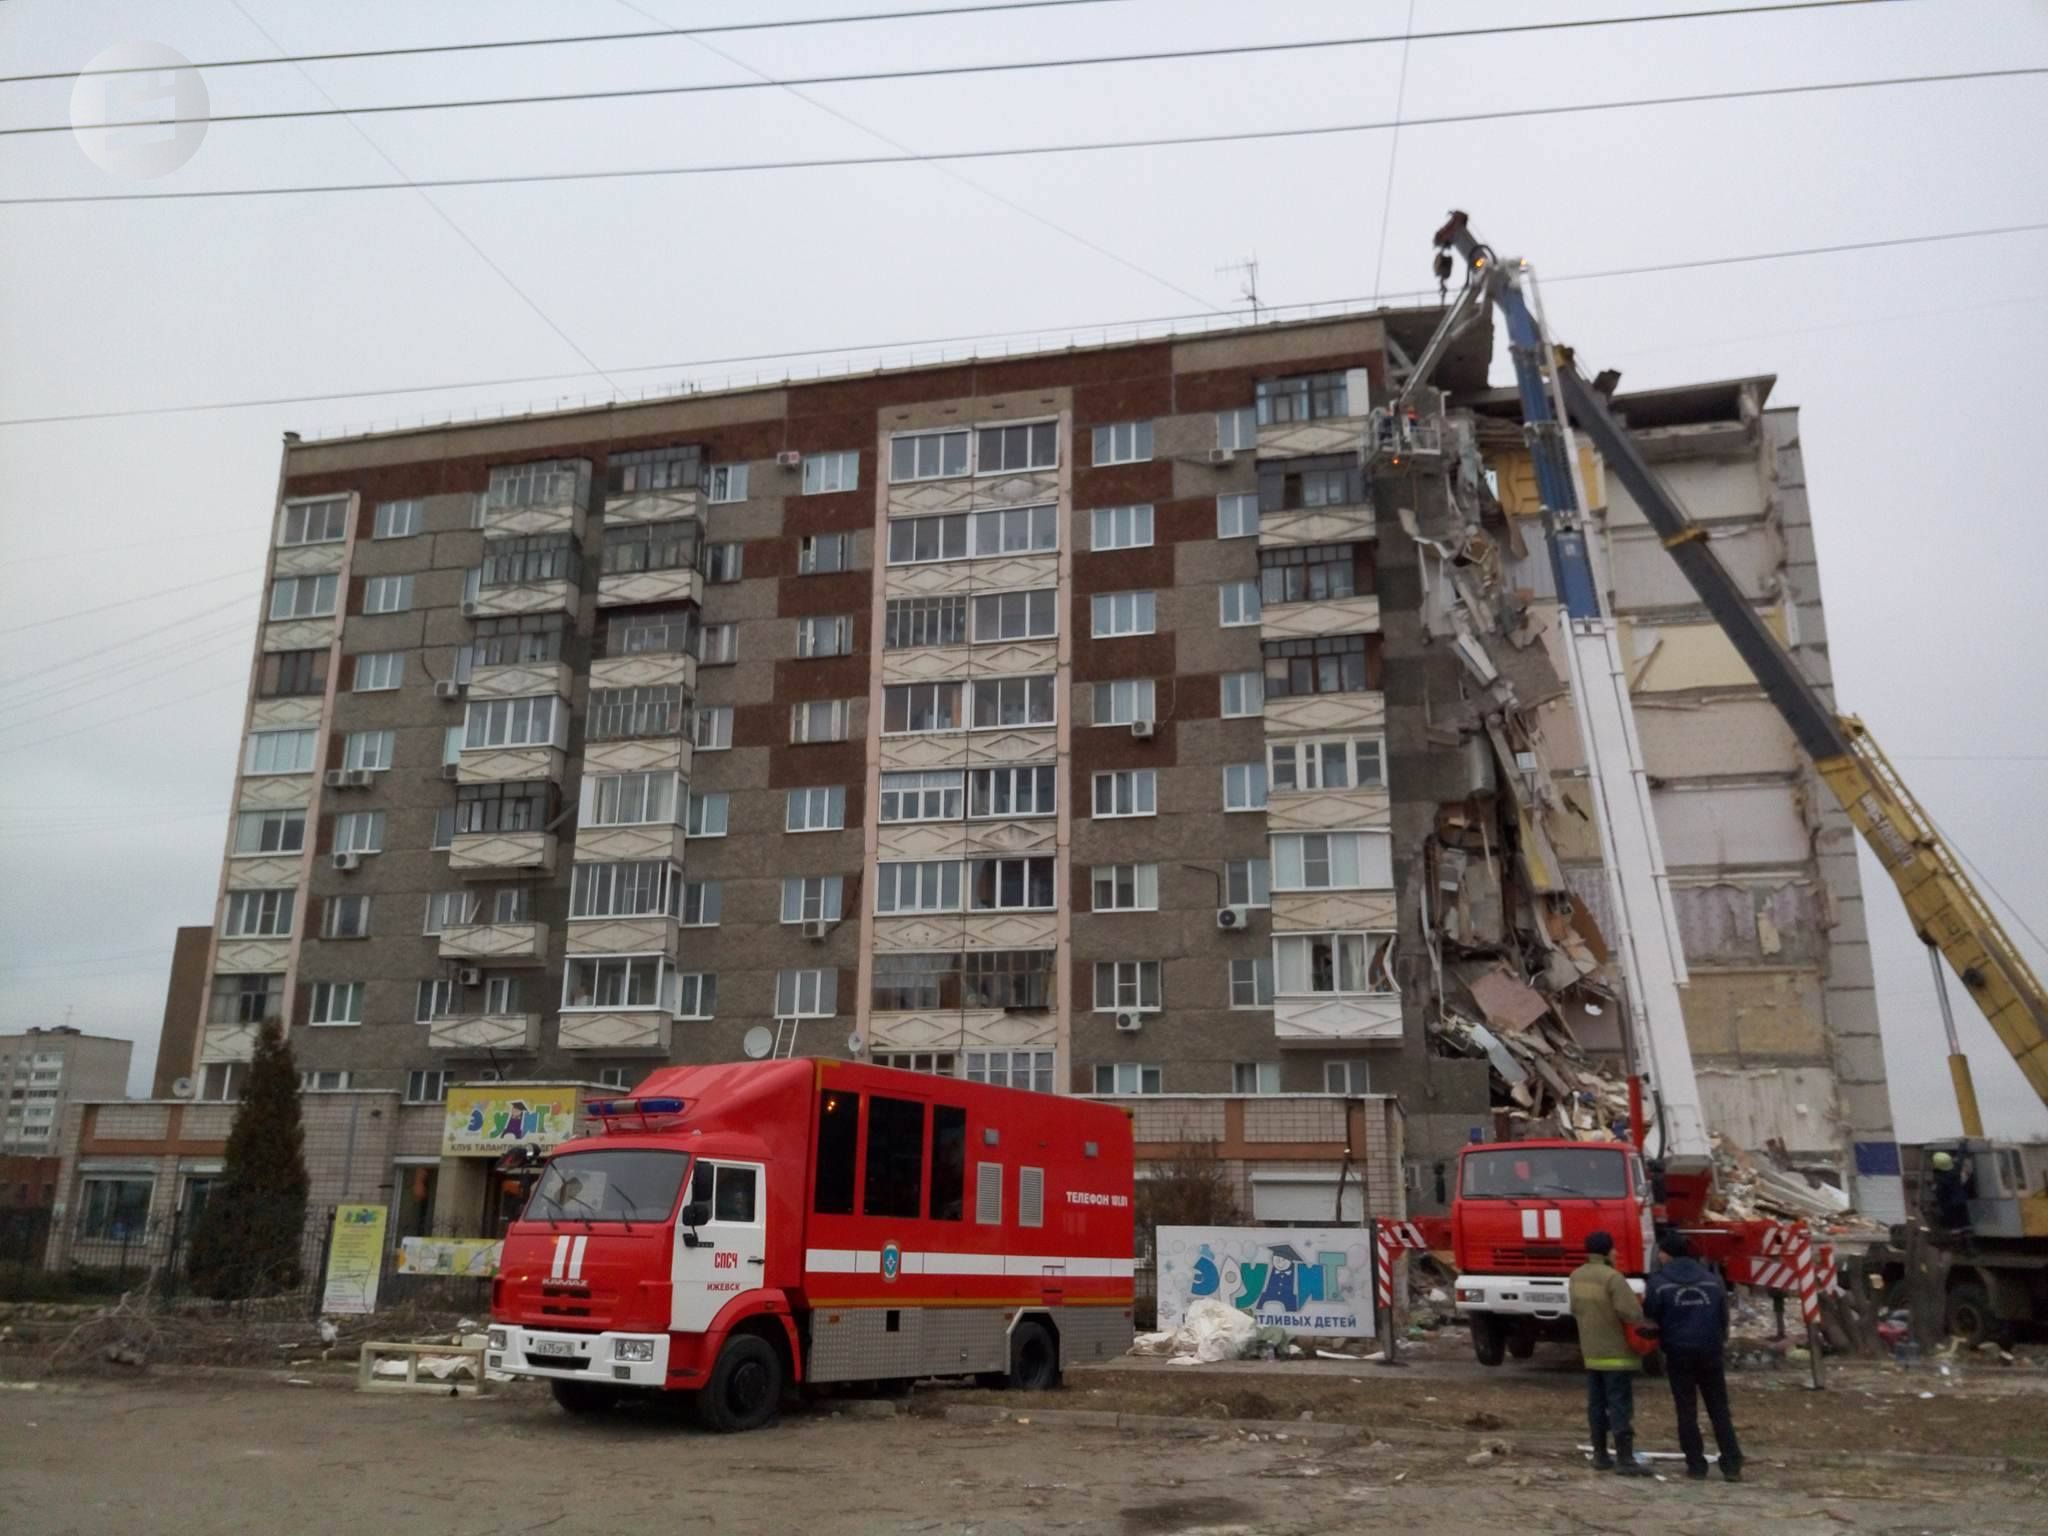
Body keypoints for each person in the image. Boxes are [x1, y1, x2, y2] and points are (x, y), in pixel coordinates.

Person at [1644, 1231, 1744, 1483]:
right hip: (1710, 1351)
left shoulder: (1658, 1282)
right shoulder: (1712, 1280)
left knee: (1686, 1410)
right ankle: (1731, 1464)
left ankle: (1696, 1464)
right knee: (1719, 1409)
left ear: (1666, 1254)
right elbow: (1723, 1317)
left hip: (1678, 1353)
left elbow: (1651, 1317)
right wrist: (1719, 1341)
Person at [1569, 1230, 1650, 1475]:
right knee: (1619, 1405)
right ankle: (1625, 1459)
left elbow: (1574, 1308)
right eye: (1614, 1249)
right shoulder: (1612, 1278)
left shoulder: (1576, 1276)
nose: (1616, 1253)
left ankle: (1600, 1455)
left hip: (1591, 1352)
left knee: (1596, 1405)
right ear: (1607, 1251)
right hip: (1616, 1354)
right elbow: (1631, 1313)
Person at [1928, 1150, 1971, 1234]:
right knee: (1963, 1217)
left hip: (1950, 1203)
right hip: (1962, 1199)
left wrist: (1933, 1188)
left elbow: (1939, 1191)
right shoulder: (1956, 1168)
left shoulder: (1940, 1178)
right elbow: (1960, 1157)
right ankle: (1966, 1227)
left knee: (1954, 1221)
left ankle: (1957, 1231)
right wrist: (1963, 1144)